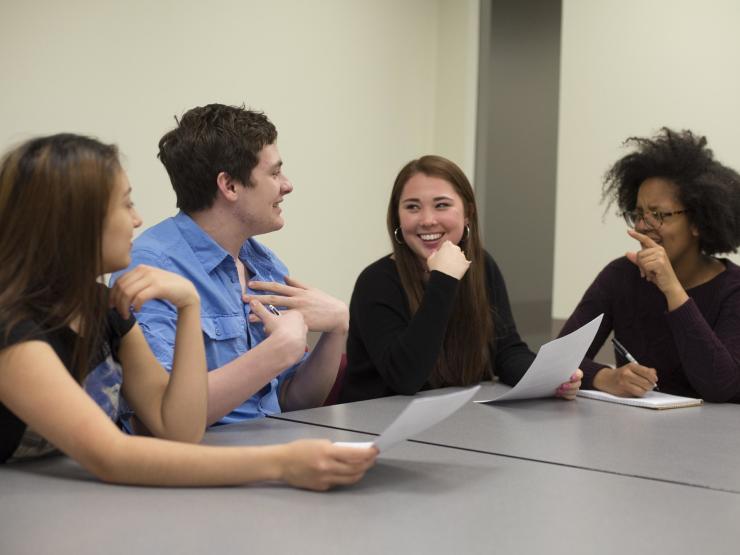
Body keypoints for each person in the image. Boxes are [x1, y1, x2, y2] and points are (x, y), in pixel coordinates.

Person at [0, 134, 376, 489]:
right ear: (76, 222)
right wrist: (279, 463)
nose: (138, 220)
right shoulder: (13, 330)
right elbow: (111, 456)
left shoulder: (103, 308)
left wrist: (189, 305)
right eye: (126, 203)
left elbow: (178, 427)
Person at [112, 104, 349, 426]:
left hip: (274, 447)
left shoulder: (263, 263)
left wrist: (338, 328)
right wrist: (276, 352)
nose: (287, 185)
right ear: (230, 186)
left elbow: (293, 401)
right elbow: (165, 416)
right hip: (196, 463)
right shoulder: (151, 268)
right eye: (274, 173)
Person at [339, 155, 582, 402]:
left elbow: (506, 352)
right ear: (397, 217)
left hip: (456, 422)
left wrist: (549, 379)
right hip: (375, 428)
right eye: (412, 207)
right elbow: (406, 378)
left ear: (468, 213)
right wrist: (443, 280)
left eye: (442, 205)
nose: (427, 220)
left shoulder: (482, 266)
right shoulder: (376, 281)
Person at [559, 128, 740, 402]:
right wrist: (606, 377)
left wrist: (672, 289)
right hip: (633, 436)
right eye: (639, 214)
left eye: (658, 215)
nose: (643, 226)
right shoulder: (620, 276)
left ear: (698, 222)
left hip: (711, 439)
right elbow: (556, 360)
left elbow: (722, 387)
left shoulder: (733, 290)